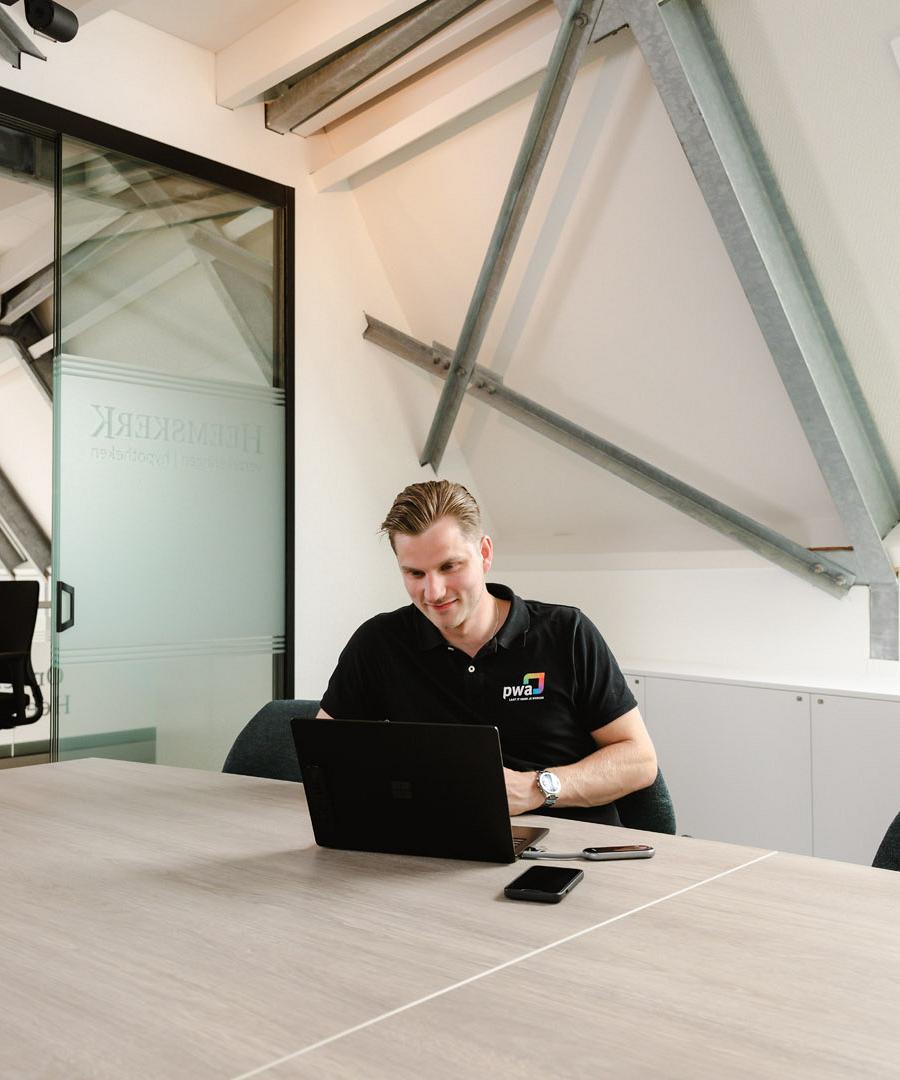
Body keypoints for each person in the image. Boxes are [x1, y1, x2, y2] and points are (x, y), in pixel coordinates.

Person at [318, 480, 658, 825]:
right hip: (437, 842)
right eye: (415, 573)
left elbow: (639, 761)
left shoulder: (567, 633)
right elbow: (324, 756)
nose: (433, 592)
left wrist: (536, 788)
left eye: (449, 567)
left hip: (569, 846)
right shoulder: (379, 642)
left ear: (484, 554)